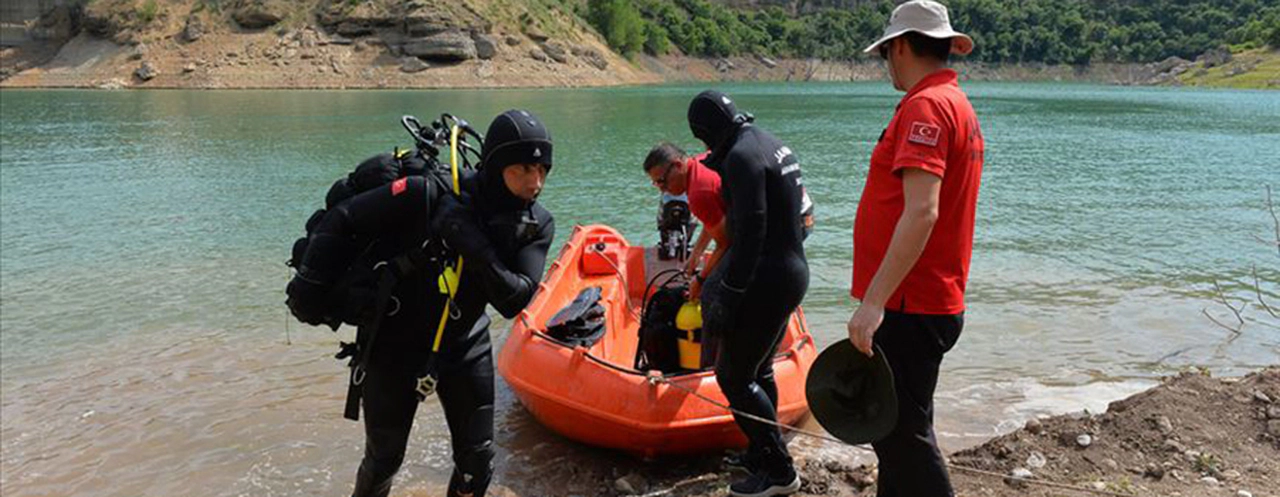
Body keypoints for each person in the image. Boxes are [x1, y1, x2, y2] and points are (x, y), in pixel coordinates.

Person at [286, 110, 556, 497]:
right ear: (496, 166)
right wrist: (309, 288)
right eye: (524, 169)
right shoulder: (426, 193)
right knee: (384, 460)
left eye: (543, 169)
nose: (536, 182)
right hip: (393, 345)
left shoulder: (535, 224)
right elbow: (344, 218)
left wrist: (473, 245)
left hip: (466, 345)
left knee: (476, 464)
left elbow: (514, 300)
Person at [845, 2, 984, 496]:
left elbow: (923, 211)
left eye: (887, 52)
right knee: (899, 430)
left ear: (900, 46)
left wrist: (874, 301)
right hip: (927, 297)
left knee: (903, 436)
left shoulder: (927, 107)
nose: (888, 63)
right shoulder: (953, 102)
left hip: (910, 301)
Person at [688, 90, 809, 497]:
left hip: (767, 278)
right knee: (760, 371)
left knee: (733, 377)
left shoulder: (741, 156)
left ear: (707, 132)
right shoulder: (768, 142)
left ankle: (779, 472)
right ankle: (762, 452)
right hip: (791, 271)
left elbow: (751, 233)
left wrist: (728, 293)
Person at [642, 143, 728, 300]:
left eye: (662, 181)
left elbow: (725, 243)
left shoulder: (699, 194)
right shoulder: (701, 162)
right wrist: (696, 254)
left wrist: (700, 280)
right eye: (656, 183)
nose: (662, 189)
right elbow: (713, 219)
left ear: (678, 165)